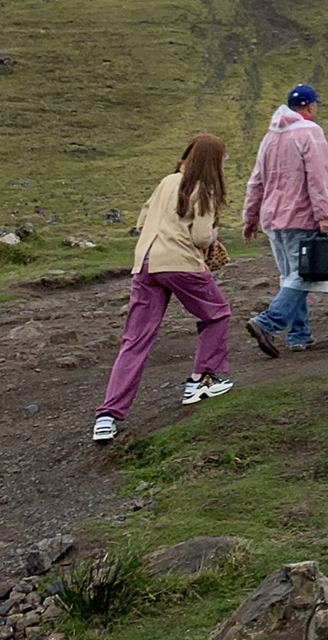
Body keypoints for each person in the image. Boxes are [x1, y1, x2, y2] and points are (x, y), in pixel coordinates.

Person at [92, 135, 234, 443]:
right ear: (212, 161)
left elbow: (144, 219)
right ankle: (202, 380)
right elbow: (199, 237)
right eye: (223, 159)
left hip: (145, 263)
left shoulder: (167, 181)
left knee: (135, 340)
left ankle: (108, 416)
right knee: (217, 314)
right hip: (181, 262)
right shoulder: (205, 188)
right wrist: (213, 237)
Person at [242, 84, 328, 358]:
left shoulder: (270, 137)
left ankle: (299, 335)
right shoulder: (311, 133)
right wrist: (324, 215)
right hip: (301, 216)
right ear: (310, 107)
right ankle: (268, 323)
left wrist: (250, 217)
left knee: (291, 276)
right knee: (305, 275)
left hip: (272, 219)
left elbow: (256, 181)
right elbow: (319, 177)